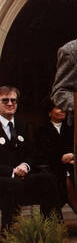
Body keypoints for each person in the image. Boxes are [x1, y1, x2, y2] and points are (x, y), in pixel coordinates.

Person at [0, 86, 60, 232]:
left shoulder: (22, 125)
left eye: (13, 100)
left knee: (48, 179)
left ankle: (50, 230)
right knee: (13, 185)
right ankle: (8, 234)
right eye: (5, 100)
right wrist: (12, 171)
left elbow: (32, 153)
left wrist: (26, 165)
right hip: (3, 178)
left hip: (21, 177)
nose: (10, 103)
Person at [34, 99, 77, 213]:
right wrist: (61, 159)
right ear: (49, 112)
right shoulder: (42, 130)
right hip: (53, 169)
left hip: (72, 167)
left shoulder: (71, 127)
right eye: (58, 108)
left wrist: (73, 156)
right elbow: (42, 153)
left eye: (63, 108)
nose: (62, 111)